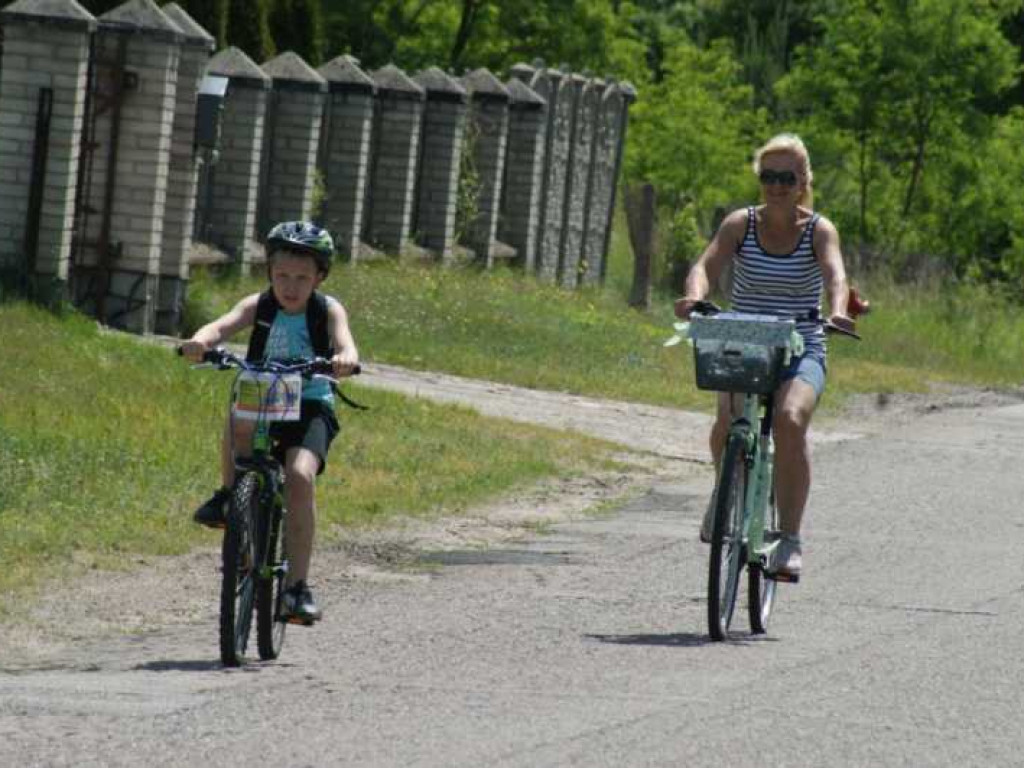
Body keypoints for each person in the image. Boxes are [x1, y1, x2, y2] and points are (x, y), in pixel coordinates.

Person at [673, 133, 855, 582]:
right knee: (730, 418)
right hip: (747, 339)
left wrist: (837, 311)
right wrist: (694, 297)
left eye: (786, 177)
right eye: (768, 176)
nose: (776, 185)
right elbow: (706, 265)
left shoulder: (819, 230)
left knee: (790, 421)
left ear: (803, 182)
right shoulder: (741, 223)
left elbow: (836, 276)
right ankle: (726, 490)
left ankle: (789, 539)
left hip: (802, 343)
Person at [180, 221, 360, 624]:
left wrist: (344, 358)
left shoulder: (326, 310)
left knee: (299, 477)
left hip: (310, 405)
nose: (290, 286)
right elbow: (221, 325)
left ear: (319, 277)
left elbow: (345, 342)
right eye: (282, 276)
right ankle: (230, 497)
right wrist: (201, 341)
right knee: (235, 417)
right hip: (263, 397)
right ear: (270, 274)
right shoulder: (258, 305)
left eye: (301, 277)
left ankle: (296, 588)